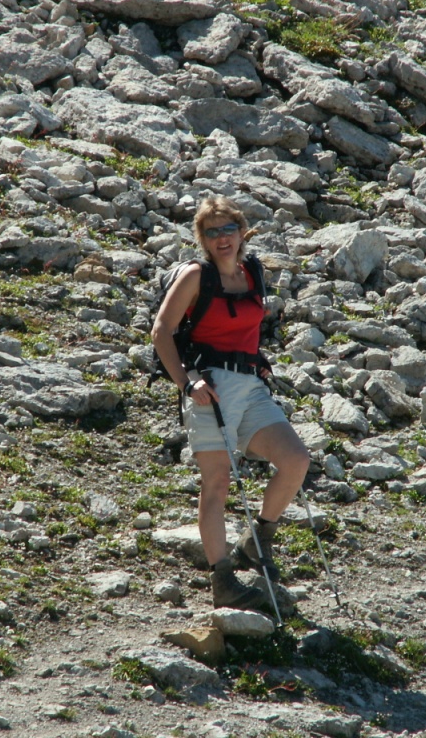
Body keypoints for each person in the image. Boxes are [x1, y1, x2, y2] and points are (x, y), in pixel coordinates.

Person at [151, 196, 311, 610]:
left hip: (249, 384)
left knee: (295, 461)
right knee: (218, 484)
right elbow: (161, 332)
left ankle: (258, 541)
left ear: (242, 231)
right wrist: (187, 382)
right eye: (211, 232)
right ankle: (222, 581)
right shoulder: (194, 275)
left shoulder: (252, 271)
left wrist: (257, 363)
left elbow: (250, 327)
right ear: (202, 239)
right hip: (210, 388)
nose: (221, 238)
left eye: (228, 229)